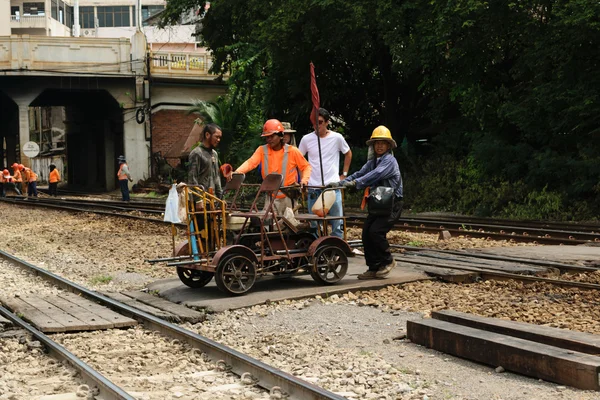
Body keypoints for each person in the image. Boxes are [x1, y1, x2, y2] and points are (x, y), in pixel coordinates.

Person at [331, 126, 403, 280]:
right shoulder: (373, 162)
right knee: (366, 233)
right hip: (378, 203)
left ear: (389, 145)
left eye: (383, 143)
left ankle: (388, 261)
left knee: (376, 232)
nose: (379, 146)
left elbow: (374, 176)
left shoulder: (389, 161)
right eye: (377, 143)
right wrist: (341, 183)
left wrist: (355, 183)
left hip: (392, 204)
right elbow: (361, 173)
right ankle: (374, 267)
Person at [228, 119, 311, 214]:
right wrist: (237, 172)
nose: (269, 139)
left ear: (280, 136)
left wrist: (304, 181)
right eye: (267, 137)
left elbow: (306, 167)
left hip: (288, 197)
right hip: (270, 197)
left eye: (271, 136)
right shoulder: (262, 150)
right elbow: (251, 163)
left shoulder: (292, 151)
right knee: (268, 225)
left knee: (290, 225)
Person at [298, 108, 352, 238]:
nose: (317, 125)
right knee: (313, 225)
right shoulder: (306, 139)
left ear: (327, 122)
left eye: (320, 122)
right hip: (313, 187)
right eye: (314, 122)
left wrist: (344, 174)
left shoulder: (337, 138)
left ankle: (337, 250)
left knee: (337, 223)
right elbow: (298, 159)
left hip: (332, 187)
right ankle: (316, 249)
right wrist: (303, 179)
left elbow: (348, 153)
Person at [188, 123, 223, 198]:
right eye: (216, 137)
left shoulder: (214, 154)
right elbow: (192, 178)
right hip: (201, 198)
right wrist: (198, 200)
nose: (218, 140)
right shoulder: (197, 153)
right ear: (207, 135)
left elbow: (217, 177)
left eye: (220, 137)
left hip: (212, 198)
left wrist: (221, 197)